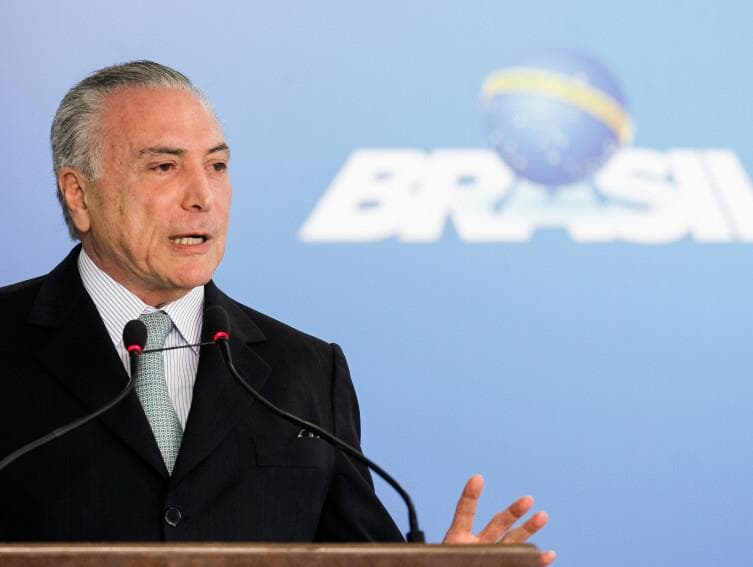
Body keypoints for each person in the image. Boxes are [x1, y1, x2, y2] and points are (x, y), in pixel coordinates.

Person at [0, 61, 554, 563]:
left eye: (217, 166)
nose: (203, 196)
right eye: (165, 167)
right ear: (79, 194)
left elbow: (359, 556)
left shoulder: (307, 370)